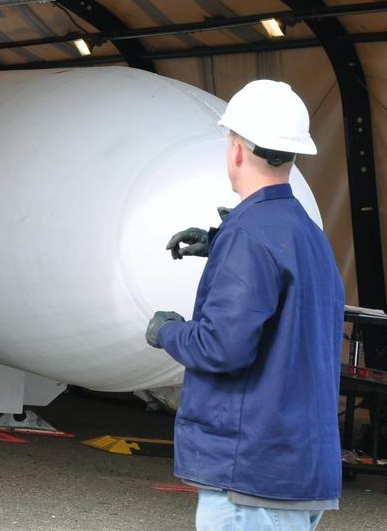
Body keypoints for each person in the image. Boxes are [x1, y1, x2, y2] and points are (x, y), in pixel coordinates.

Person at [147, 80, 344, 530]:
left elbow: (222, 347)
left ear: (236, 150)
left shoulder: (249, 234)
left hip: (250, 477)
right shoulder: (310, 235)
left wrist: (167, 332)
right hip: (300, 474)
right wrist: (218, 243)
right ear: (292, 155)